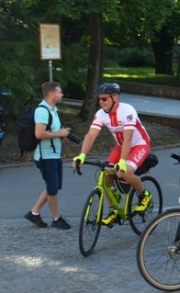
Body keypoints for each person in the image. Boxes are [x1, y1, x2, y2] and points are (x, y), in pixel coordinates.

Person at [73, 83, 154, 223]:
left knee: (126, 172)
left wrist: (122, 161)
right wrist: (82, 155)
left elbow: (128, 137)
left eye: (104, 99)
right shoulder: (100, 114)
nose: (100, 102)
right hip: (121, 145)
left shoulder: (128, 110)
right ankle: (114, 210)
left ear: (115, 97)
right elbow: (91, 135)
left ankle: (144, 195)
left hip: (139, 145)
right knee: (105, 174)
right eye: (99, 99)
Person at [25, 82, 72, 229]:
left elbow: (50, 132)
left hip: (54, 155)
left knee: (54, 186)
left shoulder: (53, 109)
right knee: (52, 188)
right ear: (51, 94)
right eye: (59, 92)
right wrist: (59, 134)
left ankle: (34, 213)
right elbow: (39, 133)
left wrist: (61, 135)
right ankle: (57, 218)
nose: (62, 94)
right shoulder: (42, 111)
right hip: (46, 157)